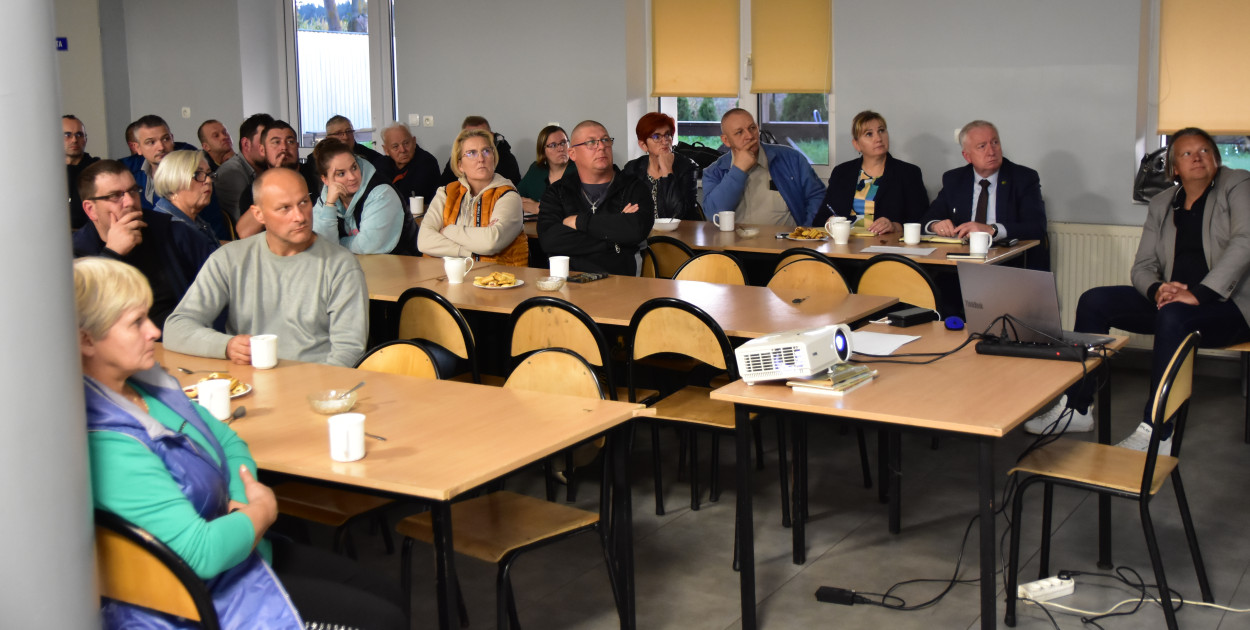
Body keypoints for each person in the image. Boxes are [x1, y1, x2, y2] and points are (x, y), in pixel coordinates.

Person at [77, 257, 406, 630]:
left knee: (387, 595)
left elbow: (229, 441)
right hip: (201, 601)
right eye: (136, 323)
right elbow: (200, 553)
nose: (154, 331)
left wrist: (243, 504)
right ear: (87, 339)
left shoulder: (148, 386)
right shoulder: (109, 444)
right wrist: (260, 512)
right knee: (384, 620)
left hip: (241, 556)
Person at [1027, 128, 1250, 453]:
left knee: (1175, 315)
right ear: (1174, 168)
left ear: (1216, 158)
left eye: (1204, 151)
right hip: (1174, 304)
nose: (1197, 157)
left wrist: (1199, 294)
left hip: (1229, 307)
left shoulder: (1237, 184)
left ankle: (1157, 431)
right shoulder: (1162, 203)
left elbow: (1245, 242)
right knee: (1094, 301)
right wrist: (1158, 289)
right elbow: (1142, 266)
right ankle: (1077, 408)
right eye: (1187, 153)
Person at [163, 168, 369, 367]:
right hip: (248, 385)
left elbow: (349, 350)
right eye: (285, 208)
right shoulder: (229, 259)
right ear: (258, 215)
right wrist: (226, 346)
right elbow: (176, 328)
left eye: (304, 202)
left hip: (317, 388)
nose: (299, 216)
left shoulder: (341, 265)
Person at [72, 160, 217, 331]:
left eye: (133, 191)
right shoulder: (76, 253)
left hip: (181, 341)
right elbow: (80, 315)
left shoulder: (172, 232)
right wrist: (111, 254)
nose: (130, 202)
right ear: (90, 209)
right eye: (115, 196)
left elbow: (218, 288)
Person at [922, 120, 1049, 269]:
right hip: (961, 264)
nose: (991, 151)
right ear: (967, 156)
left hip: (1010, 264)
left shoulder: (1023, 178)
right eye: (982, 146)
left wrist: (992, 229)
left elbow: (1036, 227)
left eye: (995, 142)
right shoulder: (955, 179)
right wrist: (936, 225)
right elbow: (927, 220)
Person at [537, 120, 653, 275]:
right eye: (591, 142)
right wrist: (614, 239)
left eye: (605, 140)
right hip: (571, 285)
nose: (601, 146)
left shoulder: (634, 187)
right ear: (572, 153)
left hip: (622, 284)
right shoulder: (557, 192)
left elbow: (636, 230)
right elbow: (550, 240)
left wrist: (579, 221)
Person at [418, 128, 526, 264]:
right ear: (460, 165)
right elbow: (424, 241)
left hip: (497, 280)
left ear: (494, 157)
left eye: (486, 151)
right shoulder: (445, 193)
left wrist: (448, 231)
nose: (481, 159)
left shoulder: (508, 195)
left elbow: (491, 242)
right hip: (446, 277)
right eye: (471, 153)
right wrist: (468, 252)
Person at [702, 108, 825, 227]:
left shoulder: (791, 158)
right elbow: (713, 215)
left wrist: (806, 230)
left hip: (786, 245)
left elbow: (817, 195)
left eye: (752, 128)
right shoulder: (714, 172)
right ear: (726, 140)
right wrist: (738, 170)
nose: (750, 136)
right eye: (739, 132)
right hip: (735, 246)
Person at [814, 110, 929, 234]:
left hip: (886, 247)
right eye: (869, 134)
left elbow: (921, 221)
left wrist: (894, 226)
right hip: (845, 246)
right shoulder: (842, 172)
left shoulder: (909, 173)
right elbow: (819, 220)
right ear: (857, 144)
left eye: (881, 130)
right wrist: (829, 222)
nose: (878, 138)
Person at [312, 138, 415, 255]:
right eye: (341, 173)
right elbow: (318, 246)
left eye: (354, 167)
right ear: (325, 179)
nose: (352, 177)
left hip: (404, 266)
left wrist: (334, 245)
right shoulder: (326, 198)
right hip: (358, 268)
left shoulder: (381, 193)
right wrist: (329, 206)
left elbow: (368, 246)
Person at [235, 120, 310, 238]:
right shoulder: (255, 189)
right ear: (262, 150)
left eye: (290, 141)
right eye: (276, 142)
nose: (284, 148)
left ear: (297, 145)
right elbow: (245, 232)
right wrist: (276, 177)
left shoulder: (316, 176)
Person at [621, 112, 701, 220]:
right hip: (643, 233)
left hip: (679, 234)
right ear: (643, 145)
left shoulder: (687, 167)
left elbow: (678, 215)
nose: (664, 141)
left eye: (667, 134)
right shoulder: (632, 169)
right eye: (656, 136)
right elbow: (623, 207)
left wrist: (667, 172)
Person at [300, 115, 392, 199]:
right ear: (328, 138)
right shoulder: (315, 160)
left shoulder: (371, 157)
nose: (345, 137)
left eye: (349, 131)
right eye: (339, 133)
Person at [152, 150, 222, 249]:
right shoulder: (168, 229)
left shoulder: (192, 220)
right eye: (197, 174)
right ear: (173, 182)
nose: (208, 180)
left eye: (209, 174)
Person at [215, 113, 274, 228]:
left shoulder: (265, 168)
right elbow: (245, 226)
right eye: (264, 140)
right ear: (246, 144)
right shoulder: (232, 173)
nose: (270, 146)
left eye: (273, 140)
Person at [439, 115, 522, 185]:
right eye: (470, 135)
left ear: (491, 135)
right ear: (460, 165)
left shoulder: (507, 160)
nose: (481, 159)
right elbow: (444, 186)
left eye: (482, 135)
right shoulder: (457, 159)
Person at [380, 122, 441, 209]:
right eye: (395, 146)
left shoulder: (427, 163)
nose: (402, 150)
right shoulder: (381, 164)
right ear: (386, 150)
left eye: (406, 143)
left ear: (414, 141)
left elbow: (407, 198)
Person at [517, 125, 571, 216]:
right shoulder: (536, 169)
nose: (561, 149)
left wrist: (539, 207)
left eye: (563, 143)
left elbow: (576, 207)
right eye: (553, 145)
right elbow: (515, 196)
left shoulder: (579, 169)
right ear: (543, 151)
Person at [64, 114, 100, 229]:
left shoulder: (98, 169)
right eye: (67, 135)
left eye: (79, 135)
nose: (74, 140)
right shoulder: (46, 172)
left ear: (85, 139)